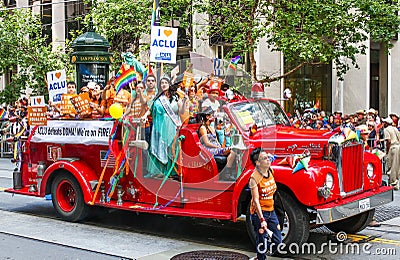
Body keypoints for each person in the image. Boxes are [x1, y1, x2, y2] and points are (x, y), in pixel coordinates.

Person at [147, 74, 188, 177]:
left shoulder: (176, 97)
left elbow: (181, 111)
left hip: (172, 126)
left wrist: (184, 101)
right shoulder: (157, 98)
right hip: (159, 126)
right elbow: (150, 110)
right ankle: (158, 171)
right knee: (159, 146)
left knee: (171, 148)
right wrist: (144, 116)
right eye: (162, 83)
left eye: (166, 82)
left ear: (170, 84)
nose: (164, 84)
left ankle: (171, 171)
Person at [249, 148, 282, 259]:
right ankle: (260, 256)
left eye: (268, 157)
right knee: (261, 239)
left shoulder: (270, 171)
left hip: (271, 211)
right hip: (259, 214)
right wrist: (262, 219)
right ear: (258, 163)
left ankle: (261, 249)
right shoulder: (254, 178)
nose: (268, 160)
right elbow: (255, 200)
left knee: (278, 241)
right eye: (265, 158)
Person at [198, 107, 236, 181]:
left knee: (233, 151)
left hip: (216, 147)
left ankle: (227, 172)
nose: (213, 117)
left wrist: (219, 146)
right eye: (211, 116)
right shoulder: (203, 128)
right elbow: (206, 142)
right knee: (232, 151)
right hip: (209, 150)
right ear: (207, 117)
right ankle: (226, 174)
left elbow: (216, 140)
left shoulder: (211, 127)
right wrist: (217, 147)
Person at [382, 117, 400, 190]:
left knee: (391, 166)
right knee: (397, 166)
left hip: (393, 148)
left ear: (386, 123)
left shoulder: (386, 130)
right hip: (398, 146)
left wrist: (387, 150)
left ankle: (393, 183)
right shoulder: (395, 128)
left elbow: (388, 141)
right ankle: (396, 182)